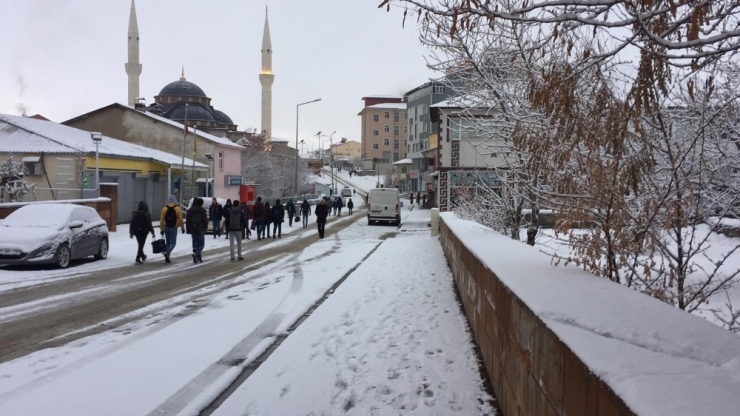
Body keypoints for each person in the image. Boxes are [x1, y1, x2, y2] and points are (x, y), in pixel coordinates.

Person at [159, 195, 185, 264]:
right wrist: (182, 228)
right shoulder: (177, 209)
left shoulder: (164, 208)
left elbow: (161, 220)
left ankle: (167, 257)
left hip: (166, 227)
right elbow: (181, 220)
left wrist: (161, 229)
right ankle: (167, 253)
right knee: (173, 243)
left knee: (168, 243)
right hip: (174, 227)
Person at [129, 200, 155, 264]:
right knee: (141, 245)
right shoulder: (147, 214)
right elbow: (149, 224)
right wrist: (152, 232)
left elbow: (132, 223)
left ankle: (142, 256)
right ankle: (137, 258)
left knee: (140, 244)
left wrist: (131, 232)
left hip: (137, 232)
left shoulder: (135, 214)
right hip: (144, 232)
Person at [186, 197, 208, 264]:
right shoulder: (202, 210)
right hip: (200, 228)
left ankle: (195, 249)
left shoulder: (190, 210)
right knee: (201, 243)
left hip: (193, 228)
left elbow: (188, 220)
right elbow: (205, 220)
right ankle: (197, 254)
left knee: (194, 240)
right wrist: (205, 227)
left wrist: (190, 227)